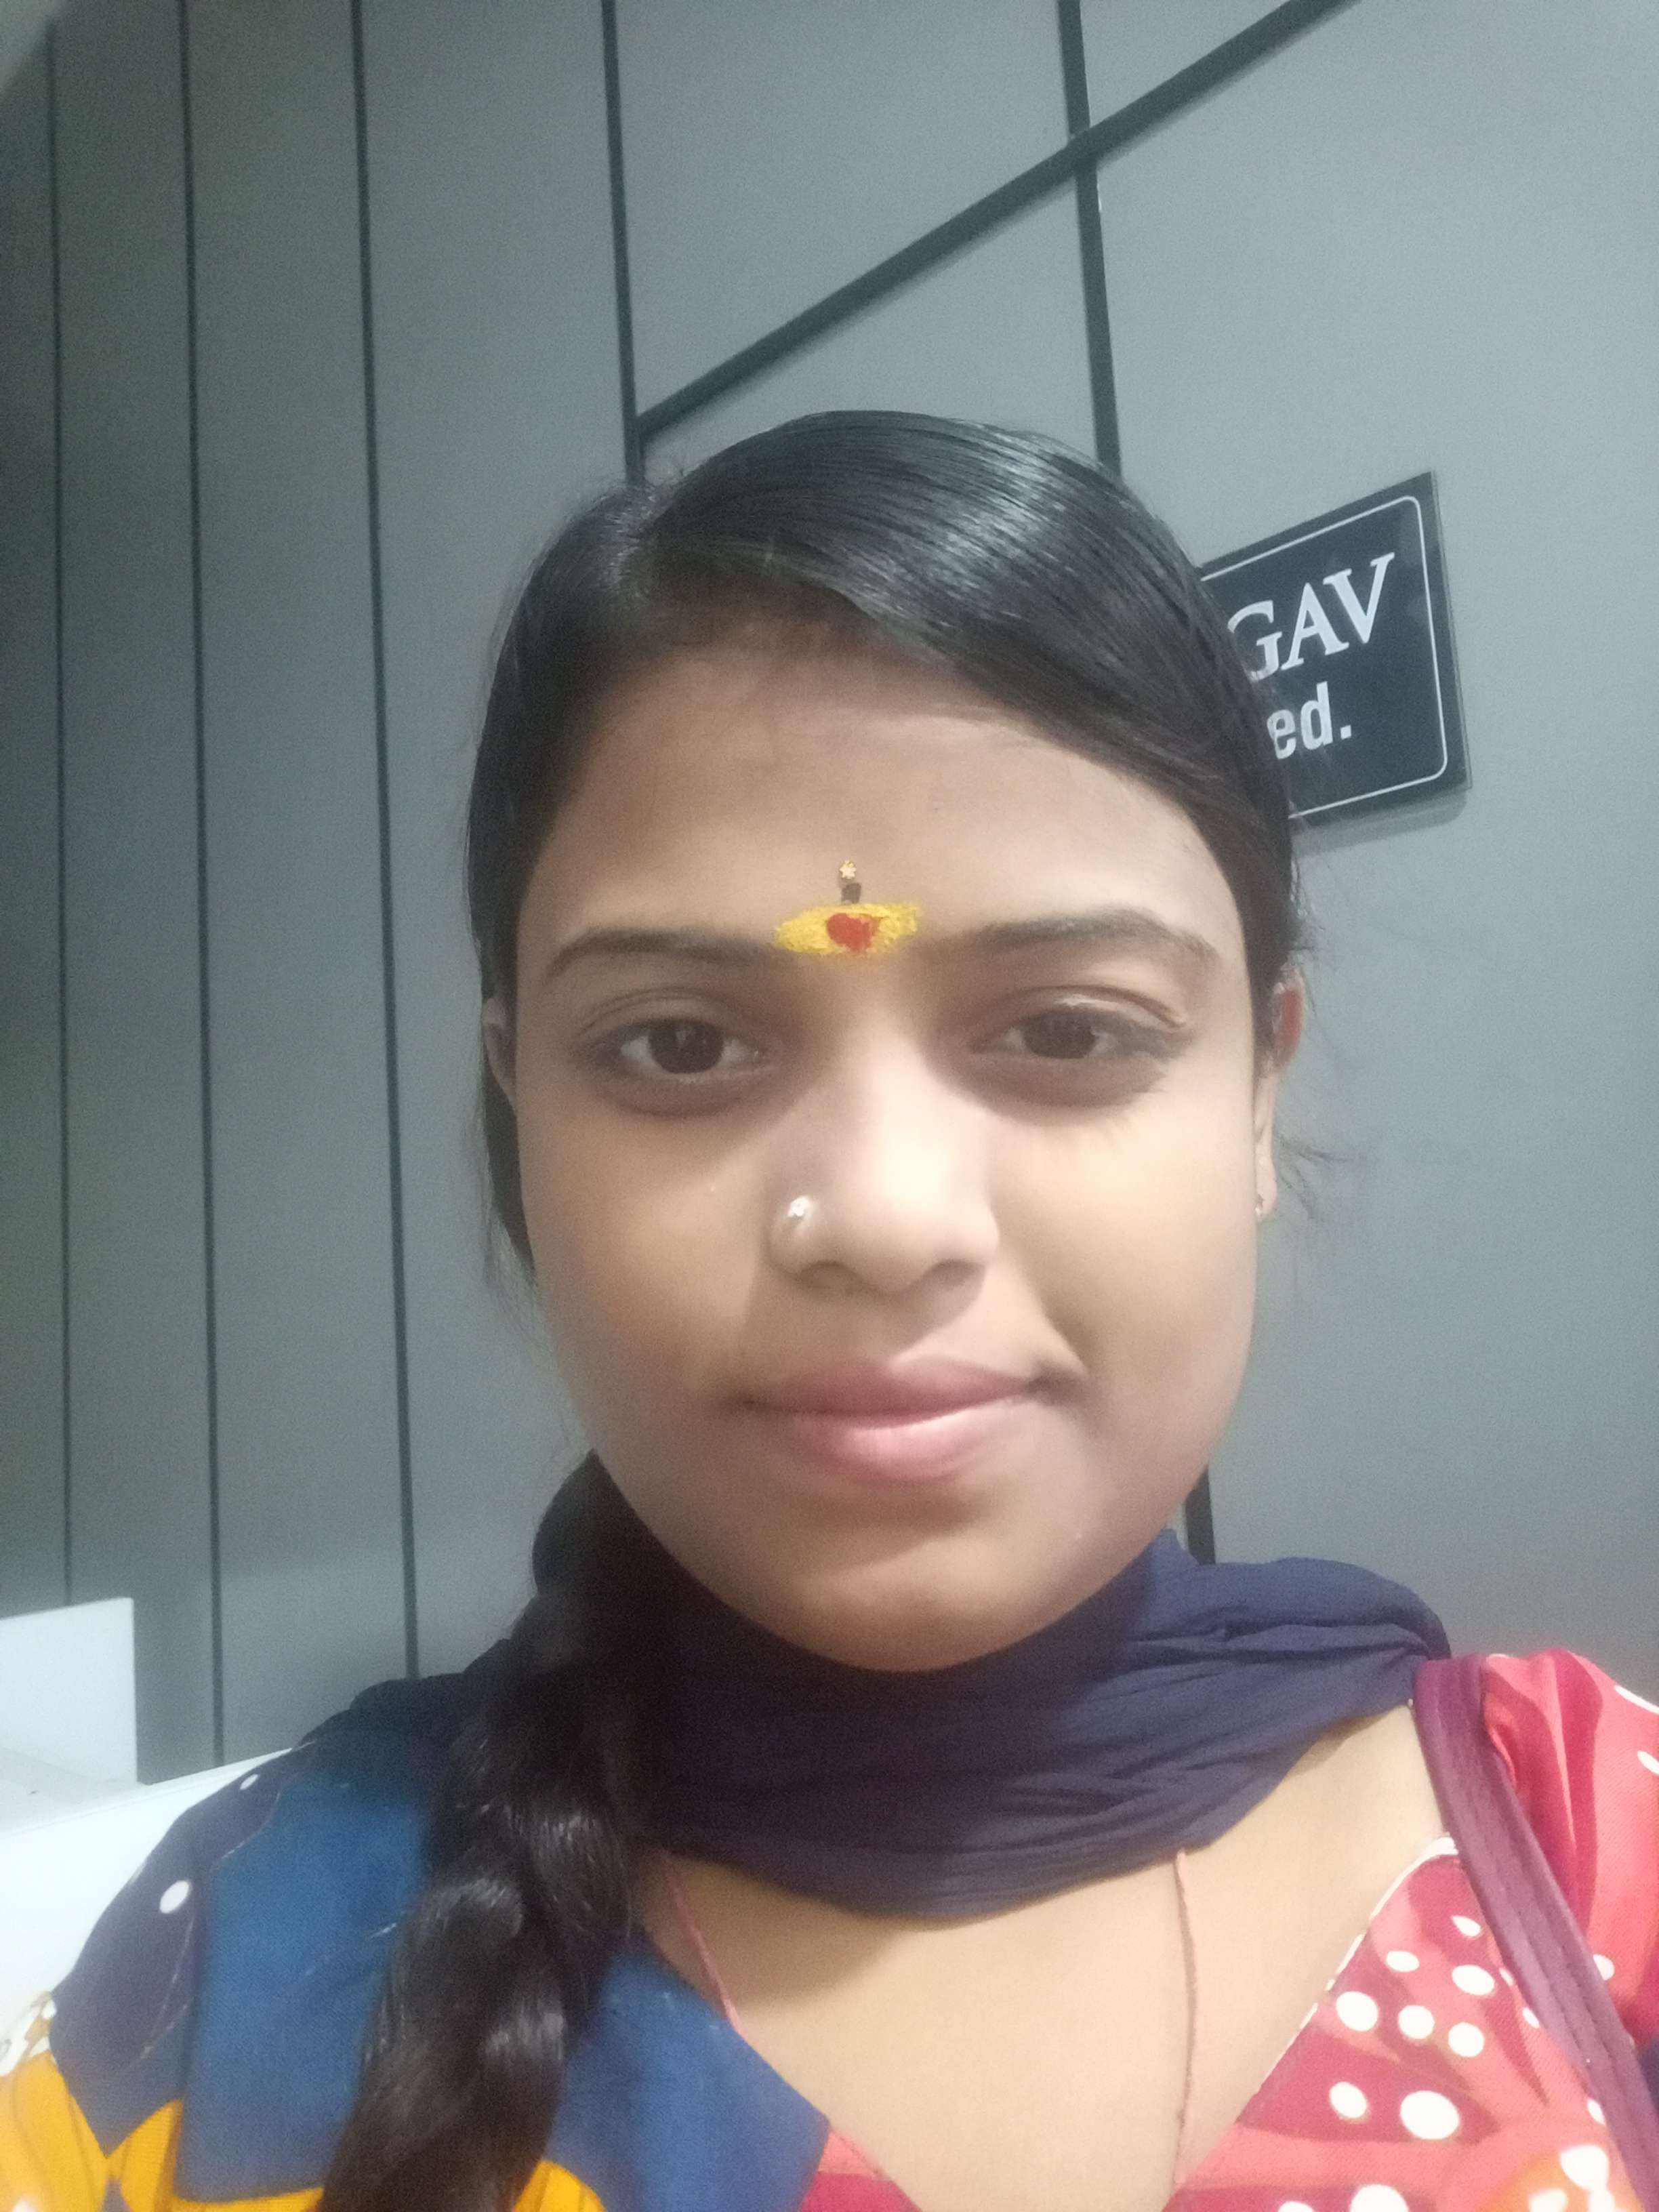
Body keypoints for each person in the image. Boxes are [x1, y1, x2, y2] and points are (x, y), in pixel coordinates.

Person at [3, 413, 1656, 2212]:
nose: (881, 1220)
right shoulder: (213, 2003)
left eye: (1068, 1029)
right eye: (678, 1045)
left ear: (1259, 1088)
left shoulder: (1592, 1852)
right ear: (518, 1103)